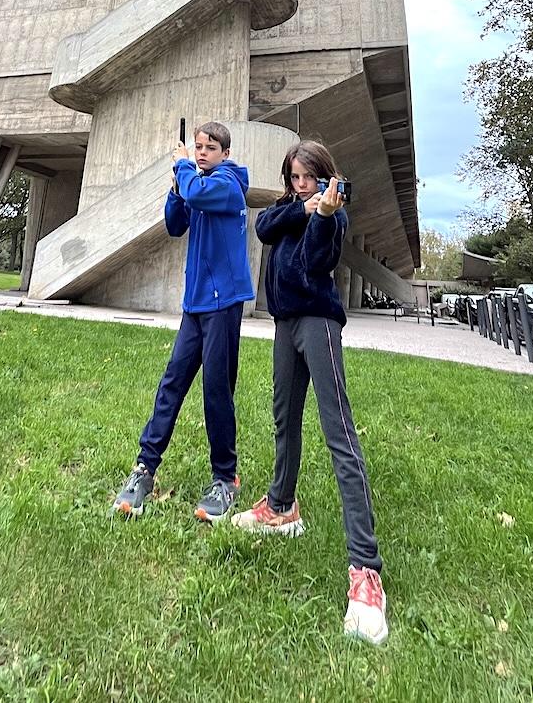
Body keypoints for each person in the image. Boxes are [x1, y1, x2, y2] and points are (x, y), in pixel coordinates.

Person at [231, 140, 388, 645]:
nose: (301, 183)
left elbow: (319, 264)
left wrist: (322, 214)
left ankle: (365, 570)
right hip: (284, 324)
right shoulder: (284, 207)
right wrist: (303, 207)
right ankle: (281, 507)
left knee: (338, 432)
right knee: (284, 418)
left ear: (325, 176)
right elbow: (264, 228)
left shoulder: (333, 215)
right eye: (294, 176)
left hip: (318, 323)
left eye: (309, 177)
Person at [113, 121, 253, 523]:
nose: (202, 152)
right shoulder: (197, 183)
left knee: (216, 389)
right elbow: (176, 224)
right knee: (172, 383)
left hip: (223, 303)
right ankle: (144, 469)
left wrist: (183, 170)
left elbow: (198, 191)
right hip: (195, 306)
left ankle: (225, 480)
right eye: (197, 147)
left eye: (210, 147)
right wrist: (177, 185)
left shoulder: (226, 184)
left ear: (225, 153)